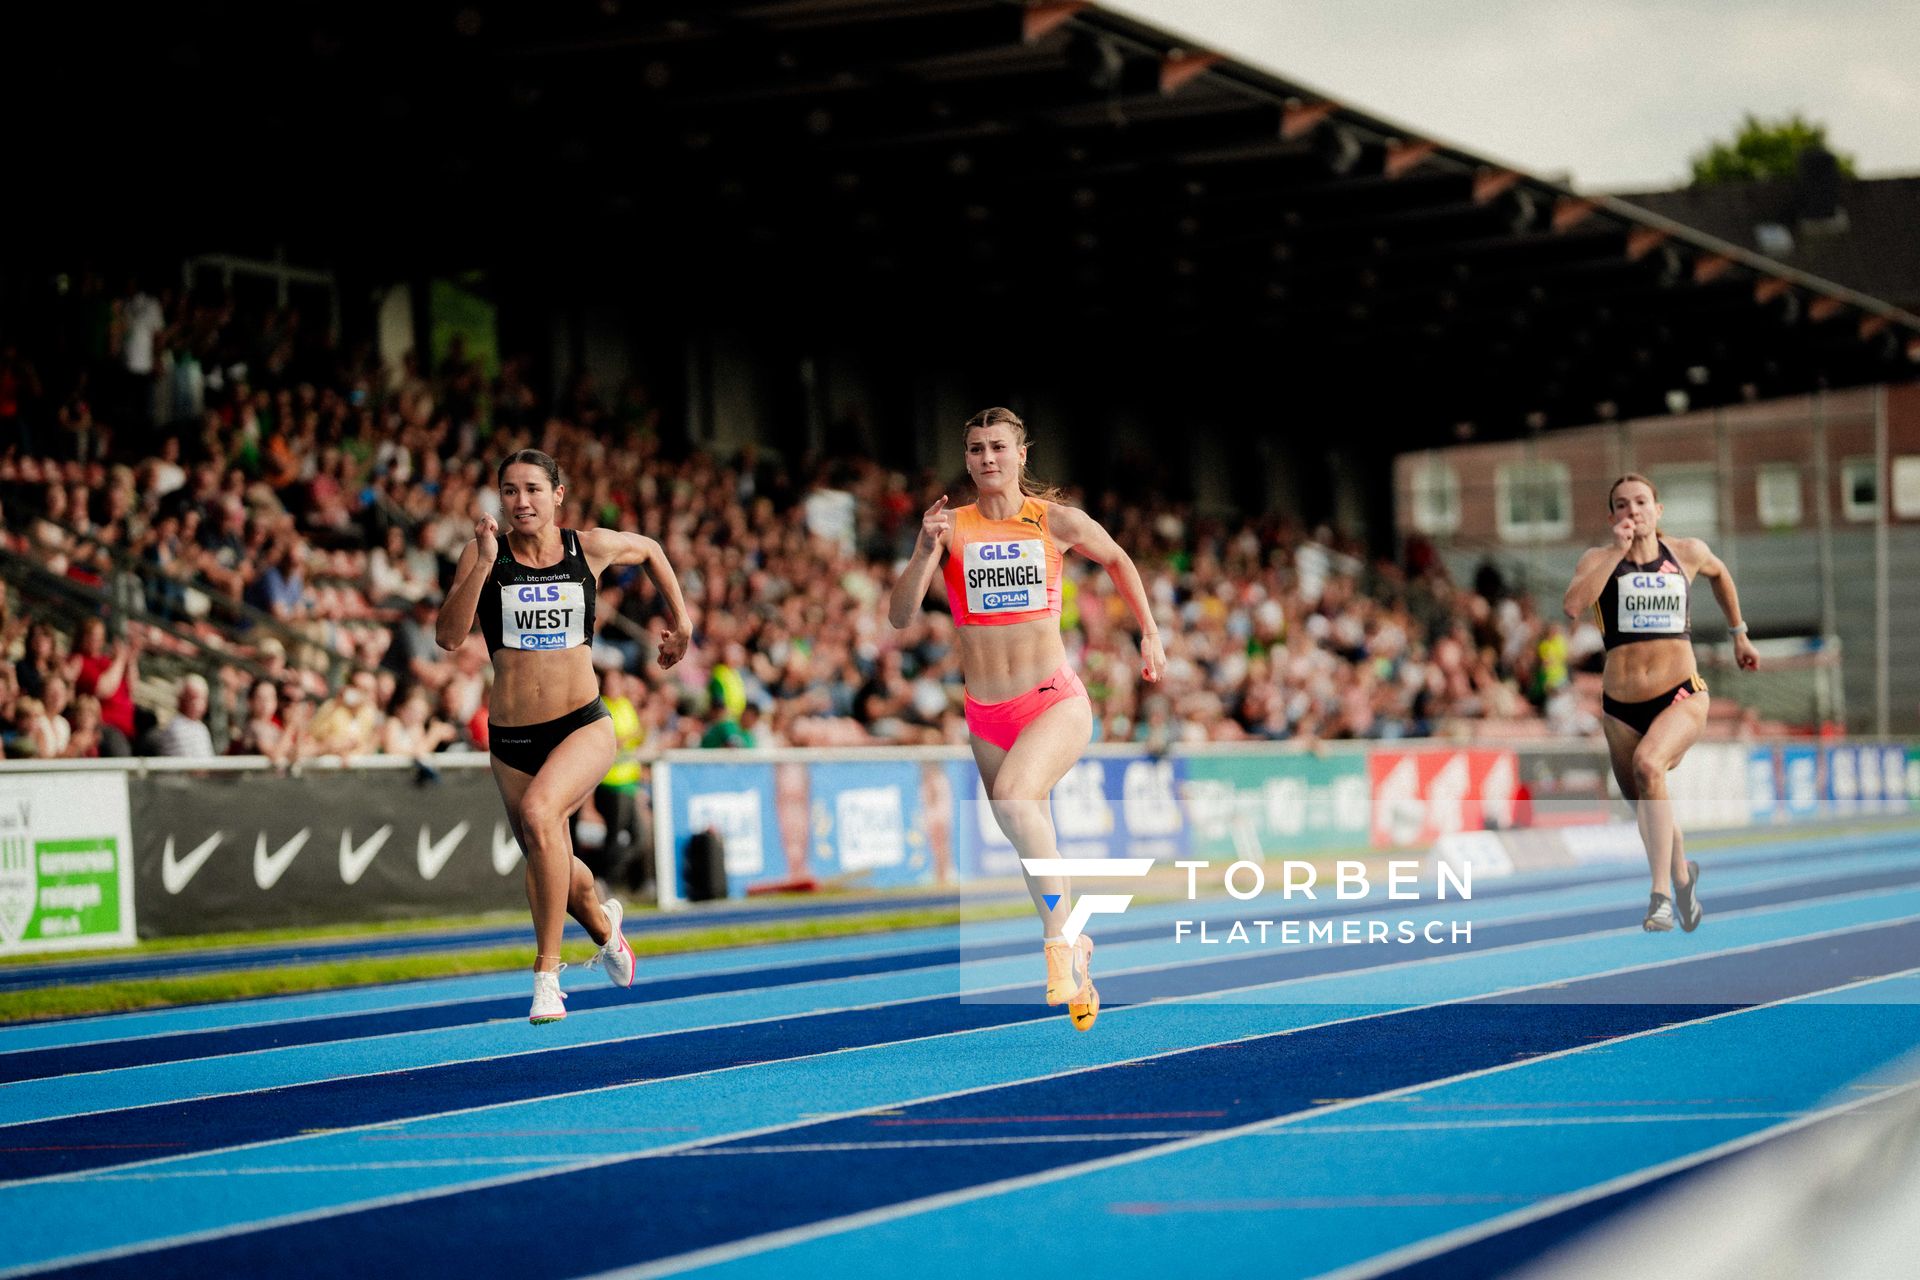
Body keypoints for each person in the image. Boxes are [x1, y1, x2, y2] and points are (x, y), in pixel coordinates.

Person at [888, 407, 1165, 1031]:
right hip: (985, 712)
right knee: (1028, 832)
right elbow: (901, 616)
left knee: (1014, 800)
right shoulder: (950, 528)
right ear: (967, 460)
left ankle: (1058, 946)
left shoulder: (1054, 520)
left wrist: (1150, 634)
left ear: (1021, 455)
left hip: (1053, 699)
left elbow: (1119, 559)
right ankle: (1077, 946)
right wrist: (923, 548)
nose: (988, 459)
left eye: (999, 448)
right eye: (977, 449)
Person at [438, 449, 692, 1024]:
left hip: (582, 724)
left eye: (532, 489)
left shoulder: (589, 548)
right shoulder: (484, 555)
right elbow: (450, 637)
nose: (520, 501)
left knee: (539, 815)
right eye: (509, 490)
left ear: (557, 494)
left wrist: (684, 622)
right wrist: (480, 564)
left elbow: (650, 550)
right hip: (512, 739)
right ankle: (605, 929)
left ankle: (547, 977)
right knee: (549, 851)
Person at [1563, 473, 1758, 933]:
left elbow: (1720, 573)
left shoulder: (1685, 552)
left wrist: (1739, 634)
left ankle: (1660, 898)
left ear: (1658, 510)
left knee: (1650, 767)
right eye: (1623, 505)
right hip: (1620, 708)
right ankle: (1683, 875)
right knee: (1646, 805)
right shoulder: (1598, 559)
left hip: (1681, 695)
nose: (1634, 511)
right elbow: (1574, 606)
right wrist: (1615, 552)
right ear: (1612, 517)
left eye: (1642, 502)